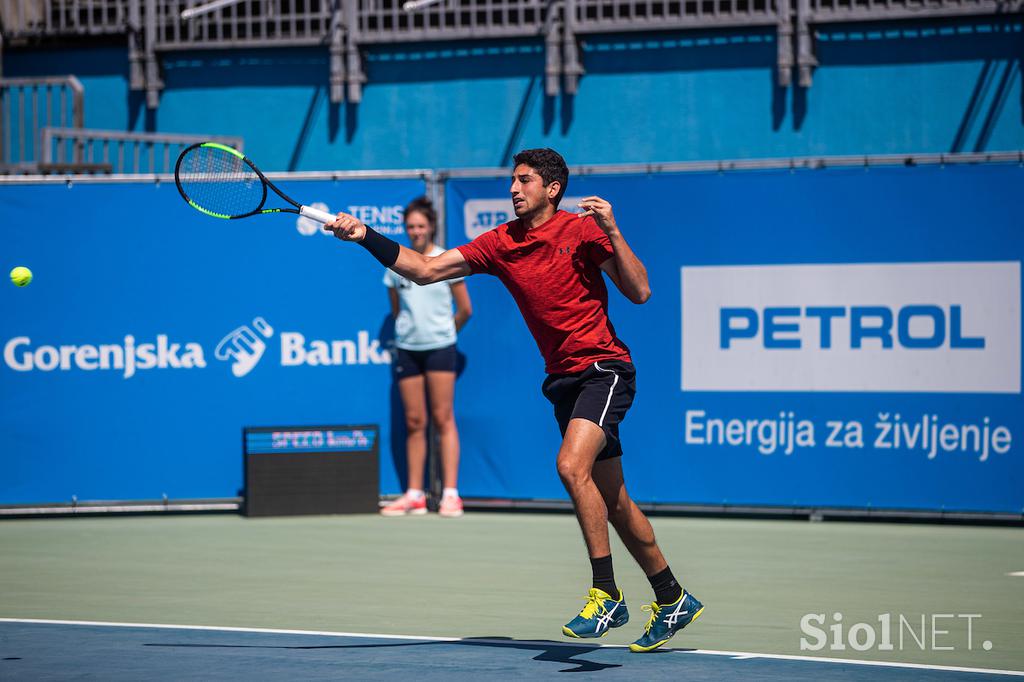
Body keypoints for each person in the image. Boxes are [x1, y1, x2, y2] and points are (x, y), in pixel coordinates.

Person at [325, 149, 703, 653]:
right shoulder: (499, 243)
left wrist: (613, 230)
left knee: (571, 468)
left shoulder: (584, 231)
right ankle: (671, 596)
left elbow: (640, 292)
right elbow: (423, 269)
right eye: (512, 181)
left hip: (604, 370)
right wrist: (364, 237)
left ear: (552, 188)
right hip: (562, 380)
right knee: (613, 500)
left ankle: (606, 593)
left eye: (524, 181)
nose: (513, 189)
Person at [380, 197, 472, 518]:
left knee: (443, 419)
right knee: (414, 422)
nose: (416, 231)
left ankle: (450, 494)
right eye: (410, 226)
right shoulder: (395, 264)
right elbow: (396, 310)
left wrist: (443, 333)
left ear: (431, 226)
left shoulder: (445, 260)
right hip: (407, 348)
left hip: (440, 348)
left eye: (421, 225)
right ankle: (415, 495)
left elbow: (465, 310)